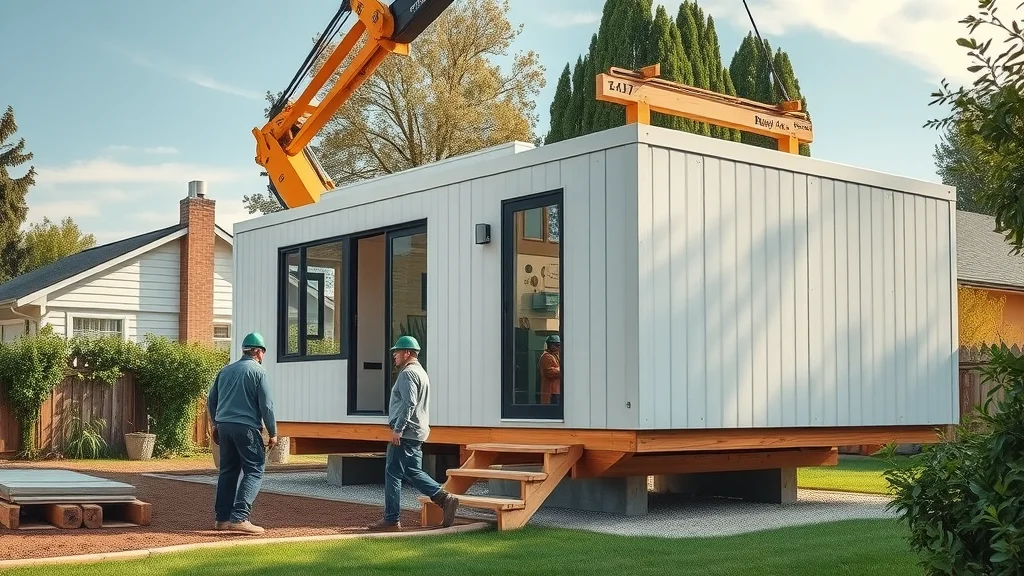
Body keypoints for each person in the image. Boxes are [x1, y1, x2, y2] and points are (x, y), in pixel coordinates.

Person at [368, 335, 459, 531]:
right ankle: (444, 498)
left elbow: (409, 402)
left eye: (397, 352)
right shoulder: (422, 373)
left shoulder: (408, 374)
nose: (394, 356)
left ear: (407, 353)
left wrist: (398, 429)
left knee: (392, 473)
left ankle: (391, 519)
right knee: (412, 471)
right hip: (417, 432)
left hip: (406, 432)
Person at [207, 331, 278, 535]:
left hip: (224, 427)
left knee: (228, 471)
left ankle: (222, 519)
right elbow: (267, 405)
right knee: (255, 469)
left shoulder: (225, 371)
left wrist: (215, 424)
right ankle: (240, 517)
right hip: (246, 428)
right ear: (258, 351)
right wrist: (272, 432)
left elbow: (211, 400)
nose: (263, 356)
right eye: (263, 352)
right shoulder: (258, 372)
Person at [539, 335, 561, 405]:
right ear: (550, 345)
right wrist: (563, 370)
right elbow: (550, 372)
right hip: (551, 391)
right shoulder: (547, 356)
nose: (558, 347)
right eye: (556, 345)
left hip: (556, 390)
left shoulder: (555, 355)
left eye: (559, 345)